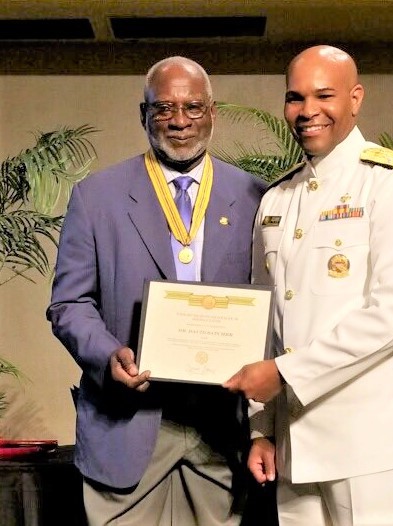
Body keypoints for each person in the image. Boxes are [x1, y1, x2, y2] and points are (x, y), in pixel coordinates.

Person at [223, 45, 393, 526]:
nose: (306, 111)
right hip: (296, 445)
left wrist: (283, 374)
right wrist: (261, 428)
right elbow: (267, 321)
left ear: (356, 98)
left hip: (370, 445)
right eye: (295, 98)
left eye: (324, 95)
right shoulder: (278, 197)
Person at [46, 56, 267, 526]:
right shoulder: (96, 196)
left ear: (213, 112)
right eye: (164, 108)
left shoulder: (255, 197)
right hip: (126, 423)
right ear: (142, 114)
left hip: (218, 431)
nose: (180, 121)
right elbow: (69, 303)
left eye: (193, 107)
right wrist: (108, 356)